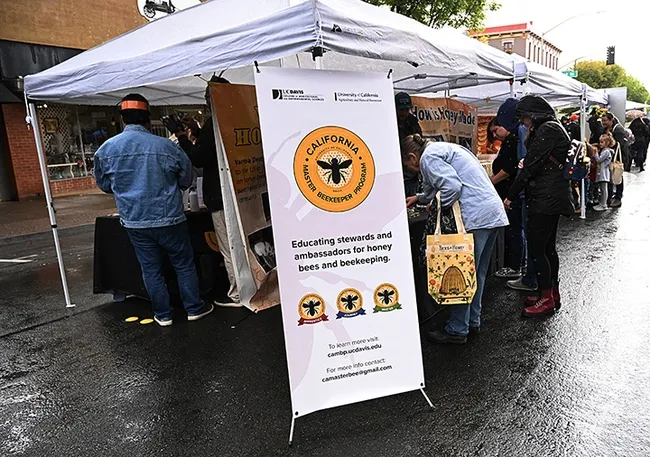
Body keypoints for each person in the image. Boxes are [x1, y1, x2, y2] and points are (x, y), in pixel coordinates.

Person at [94, 94, 213, 326]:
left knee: (150, 268)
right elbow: (187, 178)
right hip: (170, 218)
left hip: (134, 220)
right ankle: (194, 308)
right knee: (183, 264)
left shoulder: (106, 149)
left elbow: (105, 186)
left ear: (122, 118)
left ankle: (163, 314)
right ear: (148, 119)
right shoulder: (166, 146)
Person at [401, 135, 509, 344]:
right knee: (477, 273)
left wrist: (440, 205)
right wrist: (421, 198)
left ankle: (457, 329)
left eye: (409, 165)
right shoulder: (444, 148)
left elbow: (451, 187)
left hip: (475, 217)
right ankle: (472, 321)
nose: (412, 169)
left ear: (413, 157)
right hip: (492, 214)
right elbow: (438, 184)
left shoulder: (428, 158)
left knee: (462, 273)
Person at [174, 76, 241, 307]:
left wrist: (183, 137)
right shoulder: (238, 117)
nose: (206, 101)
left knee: (229, 246)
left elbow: (199, 157)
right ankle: (255, 284)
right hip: (241, 192)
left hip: (221, 196)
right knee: (245, 243)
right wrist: (196, 130)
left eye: (207, 96)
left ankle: (238, 294)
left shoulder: (215, 124)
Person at [505, 95, 574, 318]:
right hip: (552, 196)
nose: (523, 122)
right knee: (547, 248)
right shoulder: (554, 127)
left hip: (545, 198)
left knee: (537, 249)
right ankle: (551, 292)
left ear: (533, 114)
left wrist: (510, 196)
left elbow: (530, 167)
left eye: (524, 118)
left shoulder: (546, 130)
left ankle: (546, 298)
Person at [487, 101, 523, 280]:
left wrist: (491, 182)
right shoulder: (512, 140)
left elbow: (508, 169)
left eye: (496, 130)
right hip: (510, 192)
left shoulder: (511, 141)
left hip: (510, 192)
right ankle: (517, 264)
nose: (495, 134)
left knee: (514, 230)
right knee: (515, 230)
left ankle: (514, 265)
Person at [395, 92, 423, 197]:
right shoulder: (389, 121)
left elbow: (419, 141)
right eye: (401, 110)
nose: (404, 113)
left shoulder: (413, 122)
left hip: (411, 171)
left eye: (406, 110)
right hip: (396, 169)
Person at [601, 112, 629, 207]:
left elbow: (620, 145)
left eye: (605, 121)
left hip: (619, 157)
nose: (603, 122)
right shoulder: (606, 129)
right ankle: (610, 197)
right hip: (610, 157)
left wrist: (610, 143)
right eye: (602, 121)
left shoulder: (618, 130)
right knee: (610, 177)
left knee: (618, 176)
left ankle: (618, 197)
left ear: (611, 120)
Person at [592, 134, 614, 211]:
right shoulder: (606, 151)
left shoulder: (606, 152)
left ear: (607, 143)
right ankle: (602, 203)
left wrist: (595, 153)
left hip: (603, 173)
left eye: (602, 142)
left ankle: (604, 204)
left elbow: (599, 160)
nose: (600, 144)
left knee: (604, 189)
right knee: (602, 189)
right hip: (602, 172)